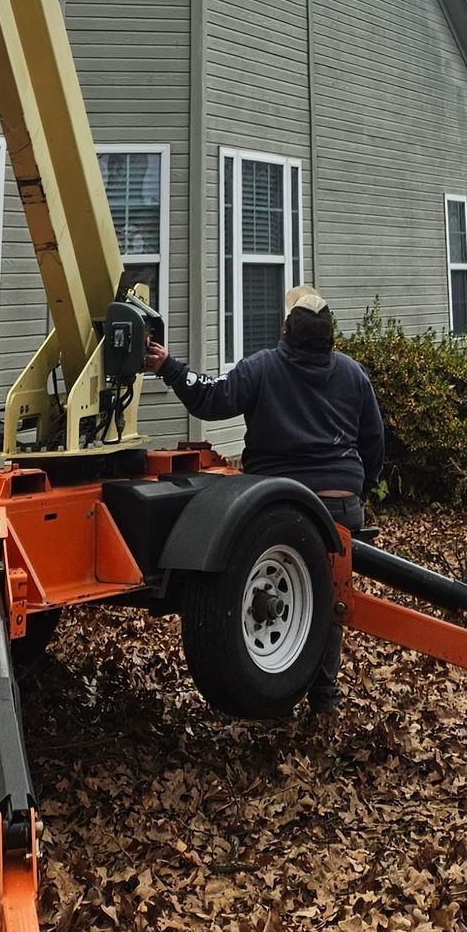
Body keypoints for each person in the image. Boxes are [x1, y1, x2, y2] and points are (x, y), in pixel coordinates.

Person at [144, 283, 382, 714]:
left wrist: (169, 367)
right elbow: (374, 442)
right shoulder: (353, 374)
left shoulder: (263, 368)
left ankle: (274, 677)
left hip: (281, 503)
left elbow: (212, 398)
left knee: (282, 589)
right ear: (330, 333)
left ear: (287, 329)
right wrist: (359, 492)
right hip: (342, 502)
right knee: (326, 596)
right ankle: (324, 696)